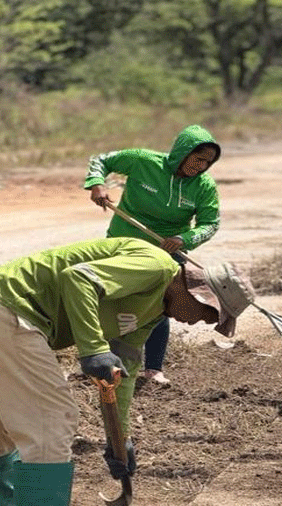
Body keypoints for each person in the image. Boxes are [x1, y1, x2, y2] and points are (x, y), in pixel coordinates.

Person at [0, 238, 253, 506]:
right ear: (196, 291)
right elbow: (79, 278)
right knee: (52, 418)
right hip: (4, 308)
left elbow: (124, 370)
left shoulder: (152, 311)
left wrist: (121, 435)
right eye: (209, 313)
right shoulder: (156, 266)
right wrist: (94, 349)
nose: (203, 322)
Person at [85, 125, 222, 388]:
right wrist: (97, 184)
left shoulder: (203, 186)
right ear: (182, 152)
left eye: (207, 162)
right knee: (112, 299)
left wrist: (185, 239)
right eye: (198, 158)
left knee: (158, 307)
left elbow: (210, 223)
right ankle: (101, 363)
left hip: (166, 252)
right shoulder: (144, 161)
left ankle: (153, 369)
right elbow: (101, 160)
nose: (201, 166)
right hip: (124, 243)